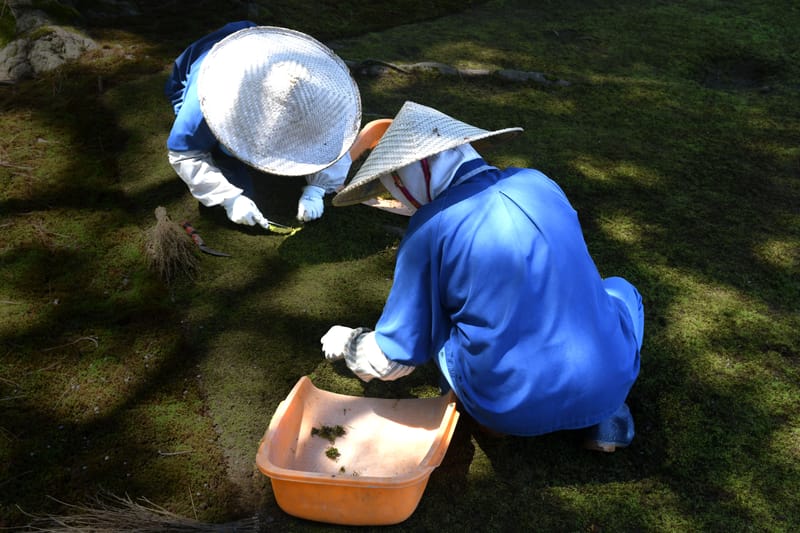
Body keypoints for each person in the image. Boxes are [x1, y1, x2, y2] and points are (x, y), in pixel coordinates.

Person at [320, 101, 644, 452]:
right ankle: (608, 416)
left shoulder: (430, 228)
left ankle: (492, 422)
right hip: (608, 381)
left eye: (393, 183)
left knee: (441, 330)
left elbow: (395, 357)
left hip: (510, 407)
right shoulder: (537, 181)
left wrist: (349, 343)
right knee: (620, 291)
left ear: (412, 174)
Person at [164, 22, 361, 229]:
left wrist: (317, 189)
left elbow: (332, 138)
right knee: (239, 184)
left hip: (265, 48)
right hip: (198, 72)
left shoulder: (314, 90)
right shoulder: (206, 100)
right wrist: (229, 198)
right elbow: (184, 153)